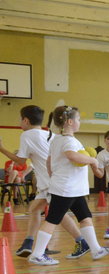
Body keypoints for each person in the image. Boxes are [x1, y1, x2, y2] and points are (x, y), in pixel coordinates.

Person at [28, 106, 109, 265]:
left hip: (74, 189)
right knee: (52, 220)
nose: (79, 122)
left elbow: (49, 161)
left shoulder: (57, 139)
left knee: (85, 217)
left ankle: (96, 249)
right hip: (66, 189)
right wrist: (92, 160)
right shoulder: (68, 141)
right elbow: (71, 155)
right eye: (78, 119)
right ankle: (37, 254)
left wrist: (52, 175)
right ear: (70, 122)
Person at [0, 105, 90, 259]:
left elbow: (21, 159)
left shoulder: (27, 135)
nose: (20, 122)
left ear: (26, 120)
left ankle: (81, 241)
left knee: (58, 215)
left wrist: (1, 148)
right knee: (35, 209)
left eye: (20, 119)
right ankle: (28, 242)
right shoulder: (47, 133)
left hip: (51, 182)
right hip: (53, 180)